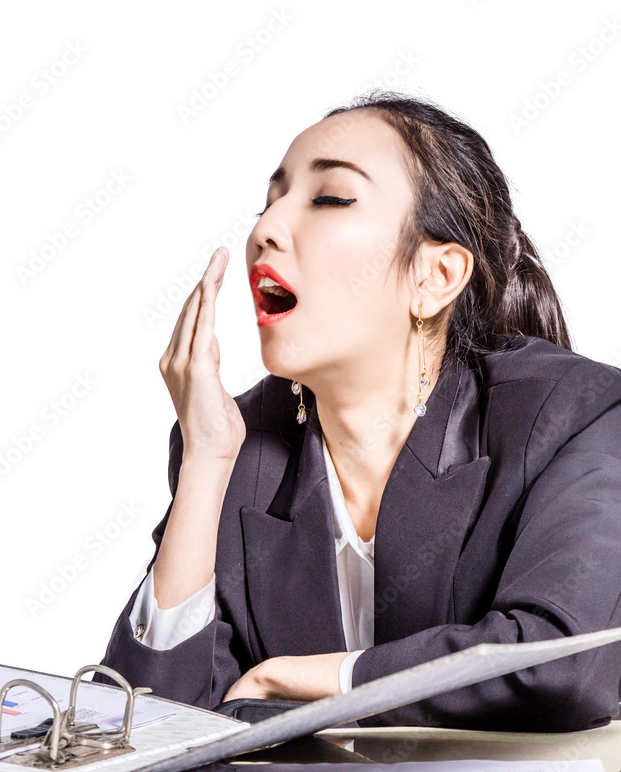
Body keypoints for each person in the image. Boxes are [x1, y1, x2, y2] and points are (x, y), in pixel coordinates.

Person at [94, 90, 621, 732]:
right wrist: (205, 459)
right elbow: (144, 728)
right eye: (270, 202)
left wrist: (305, 679)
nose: (265, 230)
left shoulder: (575, 417)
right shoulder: (232, 450)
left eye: (330, 199)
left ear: (436, 276)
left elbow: (562, 665)